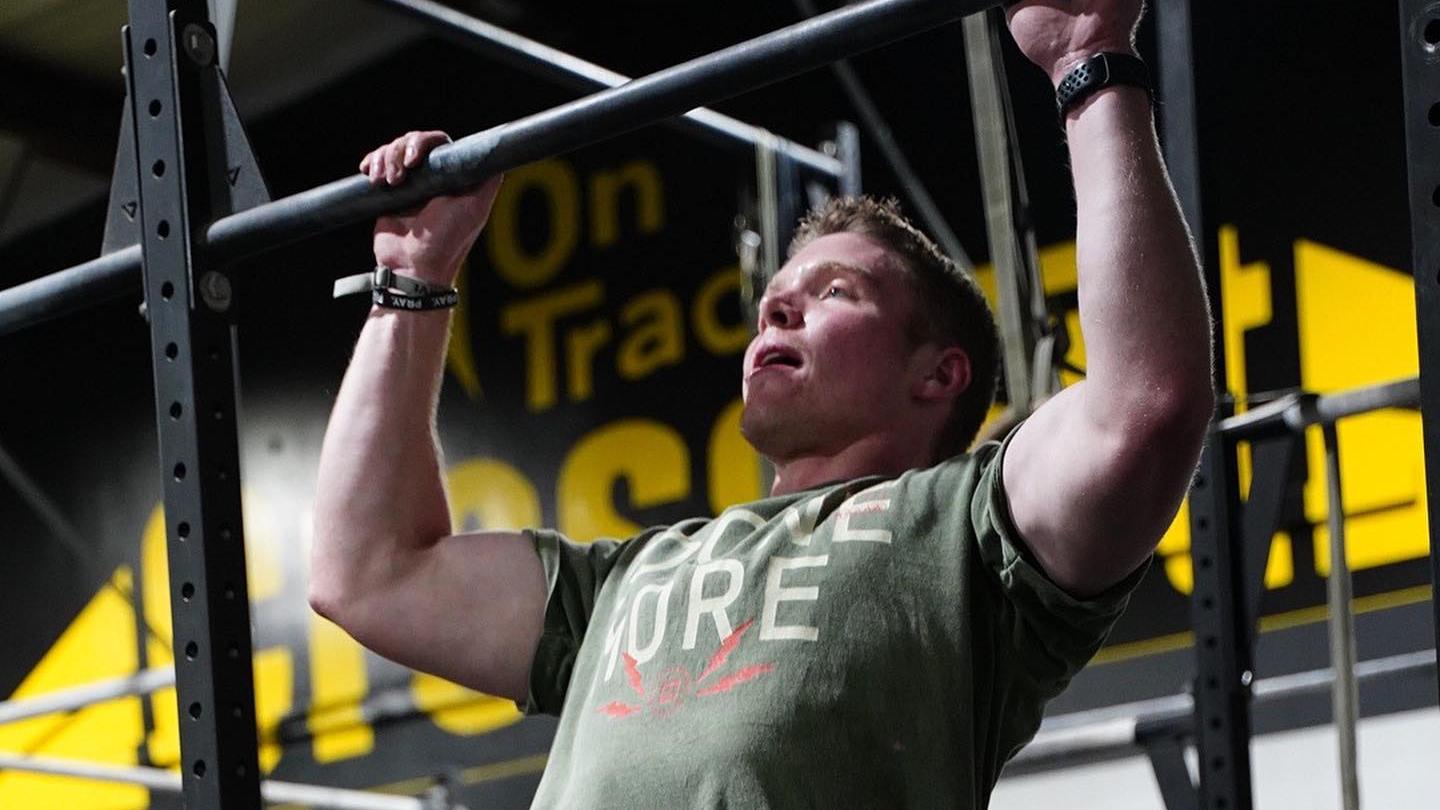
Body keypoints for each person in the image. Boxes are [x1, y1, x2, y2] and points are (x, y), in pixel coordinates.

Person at [310, 0, 1215, 806]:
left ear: (937, 376)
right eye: (774, 300)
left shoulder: (965, 536)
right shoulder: (623, 582)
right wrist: (412, 280)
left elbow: (1144, 407)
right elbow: (368, 573)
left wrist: (1088, 60)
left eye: (834, 292)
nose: (777, 310)